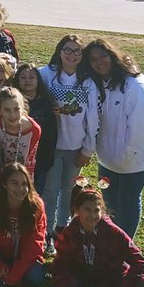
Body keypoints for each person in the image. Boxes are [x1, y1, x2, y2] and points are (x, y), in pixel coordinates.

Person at [80, 38, 144, 240]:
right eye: (93, 59)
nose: (99, 62)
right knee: (109, 198)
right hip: (108, 158)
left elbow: (139, 129)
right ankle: (111, 236)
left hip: (136, 158)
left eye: (103, 56)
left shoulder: (135, 85)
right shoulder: (96, 83)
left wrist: (126, 157)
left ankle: (124, 244)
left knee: (127, 199)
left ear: (113, 55)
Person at [53, 178, 144, 287]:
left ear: (102, 211)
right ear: (77, 210)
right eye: (87, 209)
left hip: (110, 280)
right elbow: (60, 264)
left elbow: (140, 263)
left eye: (96, 210)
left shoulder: (113, 232)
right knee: (63, 275)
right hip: (83, 280)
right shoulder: (70, 232)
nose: (92, 215)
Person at [38, 34, 97, 257]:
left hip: (76, 147)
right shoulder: (47, 74)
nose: (72, 55)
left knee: (68, 190)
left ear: (82, 56)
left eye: (77, 51)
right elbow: (30, 89)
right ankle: (47, 234)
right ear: (59, 51)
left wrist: (87, 149)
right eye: (67, 49)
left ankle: (63, 231)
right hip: (52, 146)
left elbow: (92, 117)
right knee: (50, 190)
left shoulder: (88, 82)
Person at [0, 162, 46, 287]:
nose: (20, 189)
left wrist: (15, 273)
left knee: (36, 275)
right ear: (4, 184)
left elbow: (36, 244)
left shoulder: (36, 206)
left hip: (24, 258)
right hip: (0, 258)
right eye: (14, 183)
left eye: (24, 184)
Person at [14, 63, 59, 210]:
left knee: (34, 195)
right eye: (23, 77)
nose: (27, 80)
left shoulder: (46, 102)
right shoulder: (14, 102)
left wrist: (48, 158)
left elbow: (52, 132)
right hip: (16, 156)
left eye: (32, 77)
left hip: (40, 159)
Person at [0, 87, 41, 178]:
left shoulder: (33, 130)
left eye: (16, 109)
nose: (12, 115)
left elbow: (29, 162)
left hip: (21, 177)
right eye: (7, 110)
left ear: (22, 108)